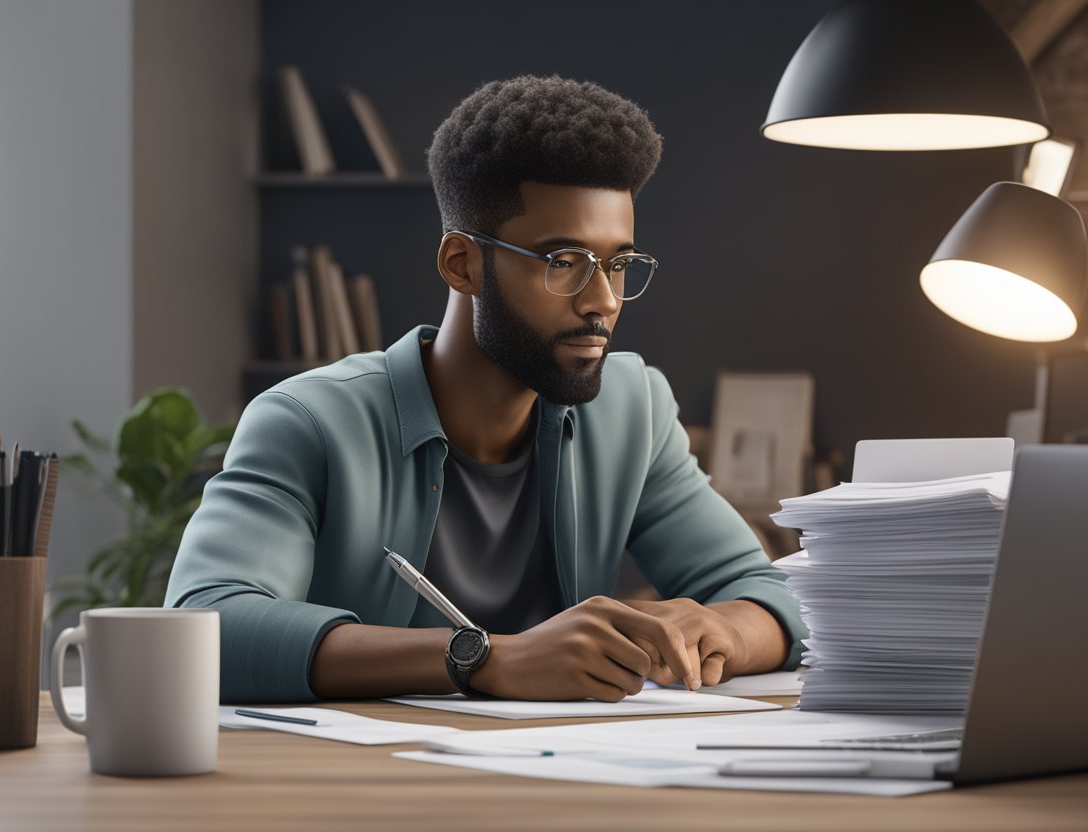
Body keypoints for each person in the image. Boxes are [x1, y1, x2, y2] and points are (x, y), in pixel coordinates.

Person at [166, 75, 807, 703]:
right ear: (462, 264)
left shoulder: (632, 408)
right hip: (359, 791)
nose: (603, 301)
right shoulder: (308, 421)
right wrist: (484, 658)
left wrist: (722, 627)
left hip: (556, 779)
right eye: (564, 263)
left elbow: (773, 595)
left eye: (617, 264)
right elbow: (208, 625)